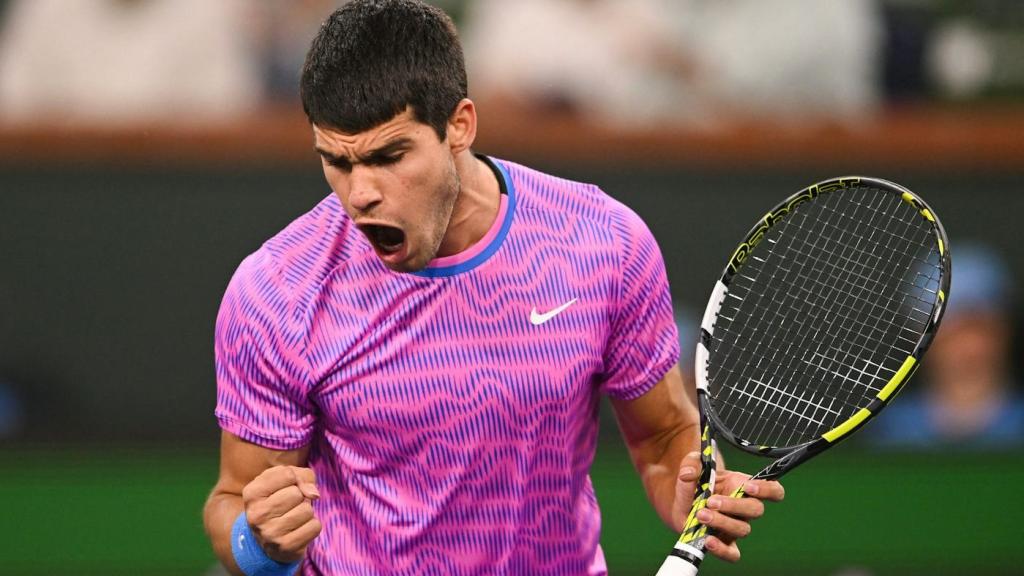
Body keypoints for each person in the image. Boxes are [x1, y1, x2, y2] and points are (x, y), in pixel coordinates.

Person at [202, 2, 784, 574]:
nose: (360, 195)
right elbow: (235, 498)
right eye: (337, 161)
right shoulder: (278, 290)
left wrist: (690, 488)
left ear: (459, 126)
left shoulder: (602, 242)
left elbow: (664, 435)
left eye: (390, 156)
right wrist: (261, 544)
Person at [871, 242, 1024, 449]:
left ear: (1005, 329)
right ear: (919, 335)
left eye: (977, 325)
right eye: (951, 328)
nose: (967, 344)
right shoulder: (890, 429)